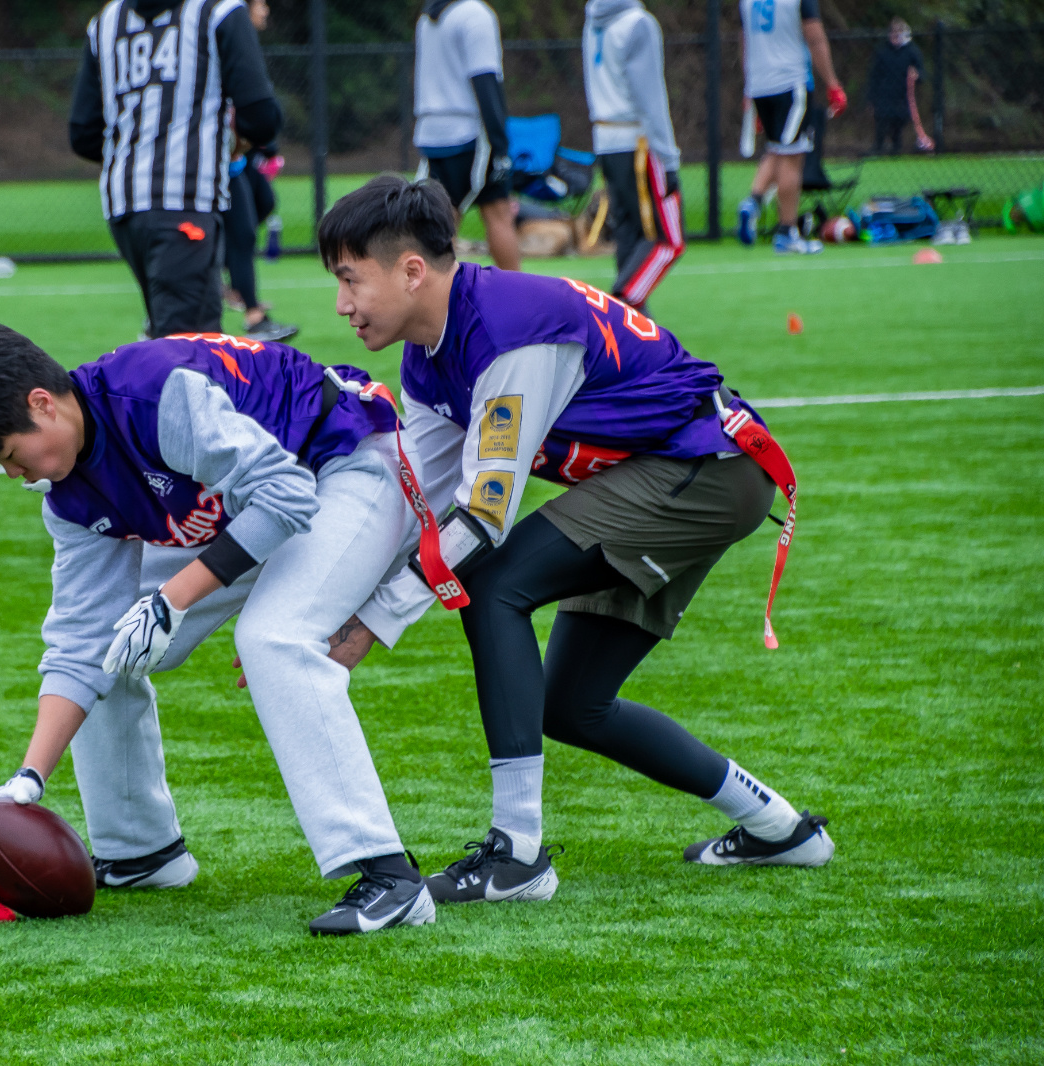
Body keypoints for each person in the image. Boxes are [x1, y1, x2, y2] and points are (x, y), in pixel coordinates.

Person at [317, 176, 834, 904]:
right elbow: (415, 505)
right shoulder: (428, 355)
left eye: (350, 280)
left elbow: (482, 517)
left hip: (707, 468)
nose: (340, 304)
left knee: (492, 582)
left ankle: (518, 856)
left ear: (410, 271)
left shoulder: (509, 330)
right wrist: (323, 606)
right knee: (571, 704)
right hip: (675, 470)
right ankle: (782, 828)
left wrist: (371, 622)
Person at [0, 325, 442, 936]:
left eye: (11, 454)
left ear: (42, 403)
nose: (15, 474)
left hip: (346, 463)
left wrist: (171, 599)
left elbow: (286, 496)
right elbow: (79, 643)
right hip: (257, 509)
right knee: (113, 642)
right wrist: (26, 780)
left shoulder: (154, 396)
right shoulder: (68, 495)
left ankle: (389, 874)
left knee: (273, 639)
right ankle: (140, 852)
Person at [68, 0, 282, 339]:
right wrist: (227, 141)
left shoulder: (106, 21)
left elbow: (83, 134)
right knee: (190, 346)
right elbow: (261, 117)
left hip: (124, 204)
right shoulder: (218, 10)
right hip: (186, 201)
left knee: (167, 332)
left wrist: (141, 149)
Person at [582, 0, 683, 314]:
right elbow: (650, 98)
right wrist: (669, 157)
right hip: (637, 142)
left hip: (605, 139)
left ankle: (634, 327)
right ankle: (617, 307)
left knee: (629, 234)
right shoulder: (638, 23)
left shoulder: (593, 20)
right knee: (668, 239)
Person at [412, 0, 520, 271]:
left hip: (431, 132)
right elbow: (485, 80)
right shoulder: (475, 14)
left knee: (442, 218)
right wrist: (500, 145)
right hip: (468, 133)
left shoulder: (426, 19)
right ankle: (516, 292)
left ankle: (432, 293)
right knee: (497, 213)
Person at [735, 0, 845, 254]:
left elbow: (744, 42)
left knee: (777, 149)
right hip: (790, 82)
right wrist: (832, 82)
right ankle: (786, 231)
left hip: (760, 84)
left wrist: (749, 86)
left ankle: (753, 202)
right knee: (792, 157)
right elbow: (815, 37)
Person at [220, 0, 297, 343]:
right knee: (238, 231)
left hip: (233, 159)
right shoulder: (226, 32)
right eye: (260, 3)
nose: (265, 10)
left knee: (253, 216)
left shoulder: (238, 39)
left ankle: (242, 297)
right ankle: (251, 312)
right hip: (214, 161)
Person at [866, 18, 932, 155]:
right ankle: (878, 147)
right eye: (893, 32)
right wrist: (871, 97)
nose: (895, 35)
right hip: (884, 93)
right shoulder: (883, 51)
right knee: (881, 121)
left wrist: (917, 74)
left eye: (899, 32)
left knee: (898, 122)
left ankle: (896, 148)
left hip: (903, 95)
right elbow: (874, 75)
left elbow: (921, 72)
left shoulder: (912, 51)